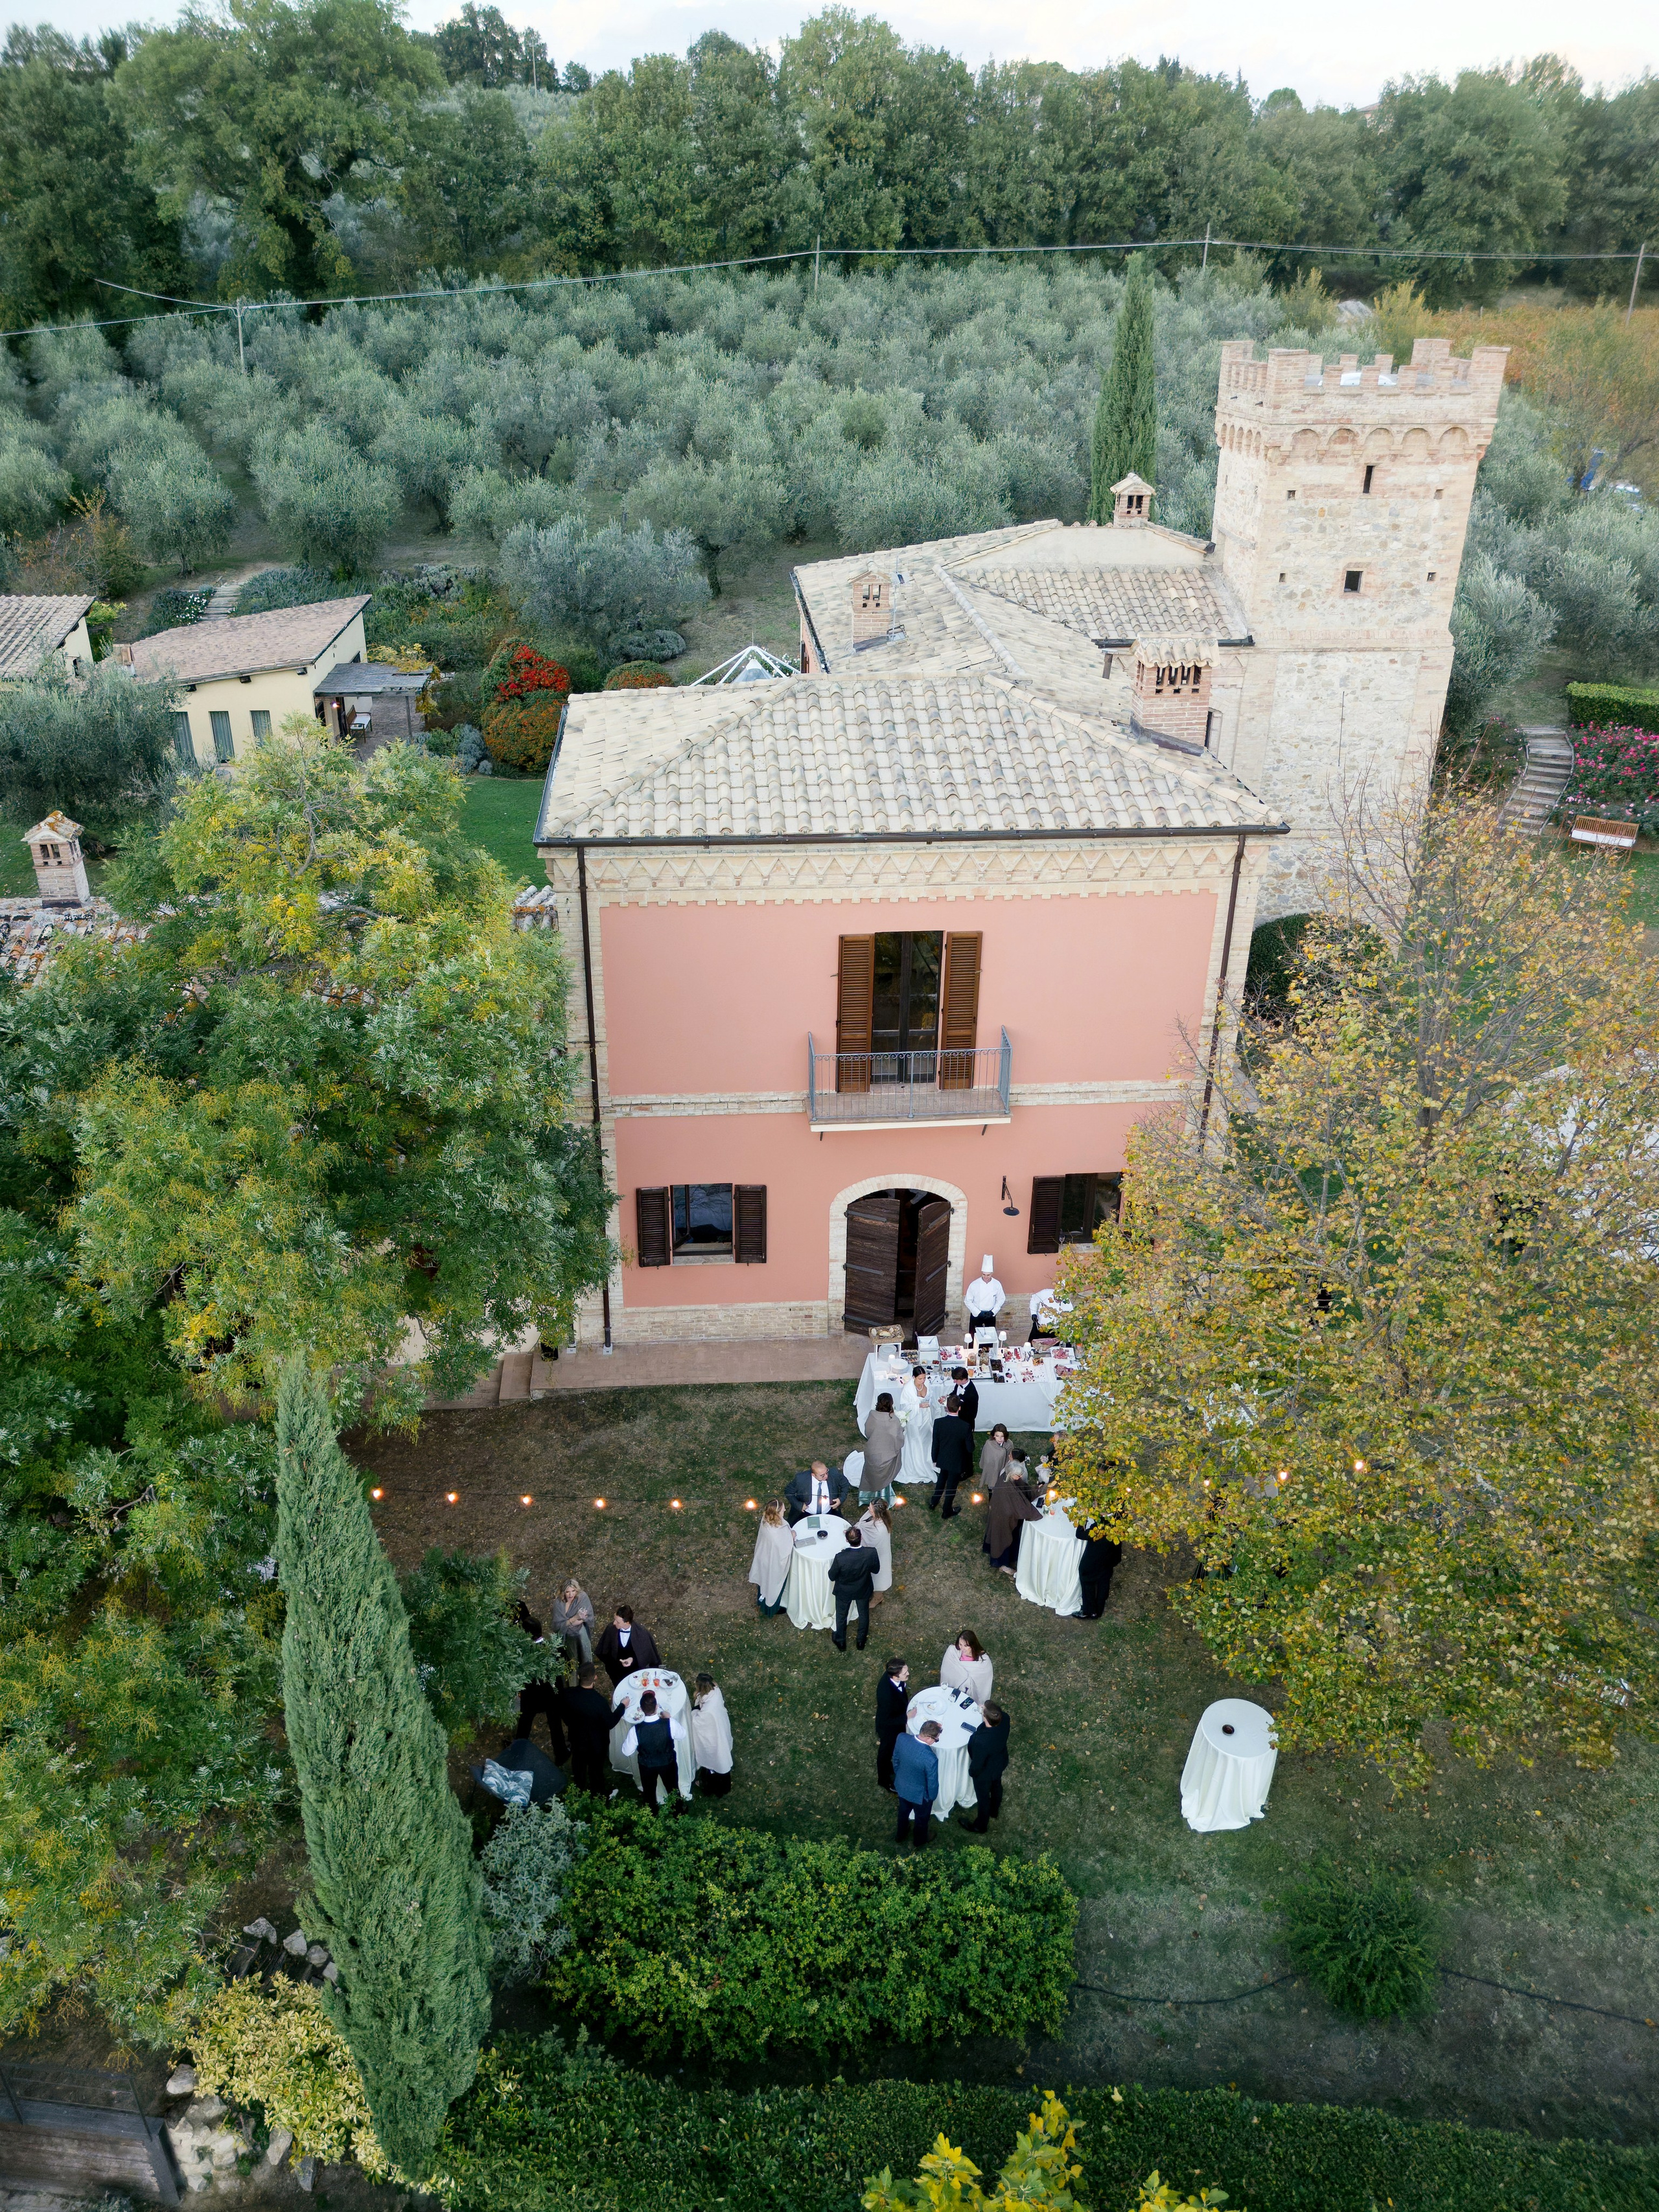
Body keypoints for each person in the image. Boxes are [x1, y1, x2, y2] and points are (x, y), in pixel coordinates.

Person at [513, 1603, 567, 1762]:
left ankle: (517, 1753)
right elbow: (565, 1665)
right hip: (552, 1695)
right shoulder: (556, 1649)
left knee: (524, 1724)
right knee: (555, 1724)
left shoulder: (521, 1655)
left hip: (531, 1698)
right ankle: (561, 1754)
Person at [619, 1687, 683, 1812]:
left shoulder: (635, 1730)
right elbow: (682, 1735)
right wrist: (669, 1718)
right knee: (673, 1789)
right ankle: (678, 1811)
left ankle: (652, 1812)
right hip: (668, 1763)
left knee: (649, 1791)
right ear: (657, 1707)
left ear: (641, 1709)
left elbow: (626, 1751)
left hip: (647, 1766)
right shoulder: (669, 1723)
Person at [558, 1663, 613, 1796]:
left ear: (578, 1677)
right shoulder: (599, 1702)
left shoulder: (568, 1694)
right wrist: (622, 1706)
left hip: (577, 1739)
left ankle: (579, 1789)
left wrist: (569, 1722)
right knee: (596, 1770)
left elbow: (562, 1710)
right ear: (595, 1678)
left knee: (578, 1765)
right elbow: (611, 1722)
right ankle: (599, 1793)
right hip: (596, 1743)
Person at [957, 1701, 1010, 1833]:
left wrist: (972, 1773)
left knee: (983, 1799)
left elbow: (978, 1763)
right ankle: (994, 1810)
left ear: (985, 1718)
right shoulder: (1005, 1718)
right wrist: (987, 1711)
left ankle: (980, 1826)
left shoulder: (981, 1741)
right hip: (1000, 1762)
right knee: (997, 1786)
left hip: (985, 1773)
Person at [828, 1523, 881, 1652]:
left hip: (844, 1591)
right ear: (861, 1538)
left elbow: (832, 1576)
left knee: (841, 1616)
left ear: (847, 1540)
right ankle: (861, 1642)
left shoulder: (841, 1558)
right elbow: (876, 1570)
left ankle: (841, 1642)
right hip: (863, 1589)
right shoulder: (871, 1553)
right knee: (864, 1614)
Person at [893, 1720, 942, 1848]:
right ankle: (919, 1841)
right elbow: (932, 1783)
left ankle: (900, 1834)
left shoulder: (902, 1738)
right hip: (921, 1797)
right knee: (921, 1819)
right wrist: (931, 1797)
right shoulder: (931, 1759)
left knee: (903, 1812)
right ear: (929, 1739)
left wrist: (900, 1776)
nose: (936, 1741)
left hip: (902, 1787)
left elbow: (896, 1760)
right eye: (936, 1739)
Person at [929, 1391, 975, 1518]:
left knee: (942, 1479)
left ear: (947, 1408)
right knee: (951, 1486)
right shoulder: (965, 1426)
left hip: (943, 1458)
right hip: (956, 1461)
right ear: (959, 1408)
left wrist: (934, 1458)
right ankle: (946, 1510)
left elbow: (935, 1443)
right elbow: (970, 1448)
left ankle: (934, 1502)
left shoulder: (938, 1423)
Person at [595, 1604, 660, 1689]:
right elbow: (603, 1650)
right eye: (615, 1620)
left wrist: (632, 1659)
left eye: (618, 1622)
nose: (614, 1623)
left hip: (635, 1671)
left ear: (627, 1622)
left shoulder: (641, 1633)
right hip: (616, 1671)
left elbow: (646, 1654)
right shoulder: (611, 1629)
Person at [987, 1470, 1039, 1573]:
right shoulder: (1006, 1487)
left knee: (1012, 1539)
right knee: (1003, 1541)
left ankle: (1012, 1557)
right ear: (1011, 1473)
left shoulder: (1010, 1479)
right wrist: (1029, 1511)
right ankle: (1003, 1565)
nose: (1020, 1477)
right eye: (1018, 1475)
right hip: (1003, 1520)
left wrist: (1035, 1490)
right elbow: (1015, 1504)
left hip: (1008, 1518)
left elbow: (1022, 1490)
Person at [690, 1672, 734, 1795]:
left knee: (714, 1761)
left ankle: (712, 1787)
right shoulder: (716, 1691)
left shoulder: (708, 1710)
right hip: (720, 1727)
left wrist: (693, 1713)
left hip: (714, 1736)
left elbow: (698, 1721)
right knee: (721, 1760)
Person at [748, 1497, 793, 1617]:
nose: (785, 1511)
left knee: (764, 1583)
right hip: (774, 1564)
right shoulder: (777, 1532)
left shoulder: (766, 1520)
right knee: (773, 1587)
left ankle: (761, 1600)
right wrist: (792, 1536)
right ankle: (771, 1609)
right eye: (783, 1510)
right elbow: (785, 1547)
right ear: (777, 1513)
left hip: (764, 1558)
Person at [1077, 1517, 1124, 1618]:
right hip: (1109, 1560)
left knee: (1087, 1583)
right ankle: (1099, 1610)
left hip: (1093, 1563)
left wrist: (1082, 1520)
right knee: (1104, 1583)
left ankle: (1089, 1611)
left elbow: (1080, 1534)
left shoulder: (1098, 1529)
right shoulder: (1118, 1523)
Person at [874, 1657, 910, 1792]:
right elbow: (887, 1720)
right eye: (905, 1673)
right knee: (885, 1753)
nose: (908, 1674)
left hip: (896, 1718)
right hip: (888, 1728)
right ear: (895, 1676)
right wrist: (906, 1717)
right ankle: (884, 1780)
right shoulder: (887, 1695)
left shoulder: (892, 1674)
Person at [861, 1394, 902, 1503]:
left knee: (870, 1472)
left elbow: (868, 1433)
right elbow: (899, 1440)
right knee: (897, 1454)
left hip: (872, 1451)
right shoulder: (895, 1420)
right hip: (888, 1454)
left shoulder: (872, 1415)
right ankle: (883, 1497)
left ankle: (866, 1497)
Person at [898, 1368, 936, 1486]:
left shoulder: (927, 1384)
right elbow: (904, 1407)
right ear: (914, 1377)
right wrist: (918, 1406)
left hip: (926, 1417)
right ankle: (918, 1464)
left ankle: (928, 1459)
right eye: (920, 1379)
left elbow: (932, 1398)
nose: (923, 1381)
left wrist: (930, 1404)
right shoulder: (908, 1389)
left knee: (927, 1438)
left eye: (924, 1378)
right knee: (916, 1439)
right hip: (915, 1419)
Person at [785, 1458, 851, 1525]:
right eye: (822, 1475)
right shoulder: (801, 1479)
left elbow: (845, 1484)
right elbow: (788, 1491)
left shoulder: (834, 1474)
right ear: (813, 1475)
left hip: (829, 1512)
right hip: (806, 1513)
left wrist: (841, 1499)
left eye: (827, 1472)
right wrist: (799, 1505)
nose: (826, 1476)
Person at [940, 1630, 993, 1704]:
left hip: (969, 1695)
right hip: (954, 1691)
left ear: (973, 1645)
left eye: (966, 1646)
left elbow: (983, 1682)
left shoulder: (983, 1661)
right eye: (960, 1644)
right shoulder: (952, 1652)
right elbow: (946, 1671)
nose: (962, 1649)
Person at [551, 1580, 594, 1670]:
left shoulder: (582, 1597)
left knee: (585, 1654)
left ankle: (588, 1672)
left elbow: (587, 1615)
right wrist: (574, 1618)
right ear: (563, 1592)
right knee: (573, 1658)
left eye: (573, 1591)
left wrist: (577, 1621)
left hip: (581, 1632)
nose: (571, 1595)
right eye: (568, 1592)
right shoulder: (559, 1603)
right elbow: (558, 1625)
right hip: (567, 1635)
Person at [857, 1496, 893, 1599]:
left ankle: (878, 1598)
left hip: (878, 1556)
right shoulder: (873, 1515)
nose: (868, 1509)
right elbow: (862, 1525)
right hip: (873, 1552)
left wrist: (856, 1538)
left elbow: (870, 1545)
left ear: (877, 1513)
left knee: (878, 1579)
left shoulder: (879, 1530)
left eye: (871, 1509)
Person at [964, 1254, 1004, 1341]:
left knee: (990, 1337)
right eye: (984, 1274)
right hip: (977, 1315)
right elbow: (968, 1301)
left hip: (990, 1315)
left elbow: (1001, 1299)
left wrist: (993, 1312)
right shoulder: (974, 1284)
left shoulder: (997, 1284)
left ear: (992, 1274)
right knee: (974, 1337)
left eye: (988, 1275)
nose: (986, 1277)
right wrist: (978, 1313)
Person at [979, 1423, 1011, 1493]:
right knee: (991, 1486)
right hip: (991, 1469)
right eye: (997, 1436)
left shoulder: (1009, 1444)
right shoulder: (989, 1444)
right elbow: (986, 1457)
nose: (1000, 1439)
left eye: (1002, 1436)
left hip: (1002, 1470)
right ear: (994, 1435)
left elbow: (1009, 1459)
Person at [951, 1365, 980, 1432]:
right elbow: (955, 1393)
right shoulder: (960, 1384)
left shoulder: (972, 1394)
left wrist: (953, 1408)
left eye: (956, 1380)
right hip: (957, 1419)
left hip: (965, 1422)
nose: (954, 1382)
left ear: (964, 1379)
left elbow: (972, 1414)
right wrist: (948, 1397)